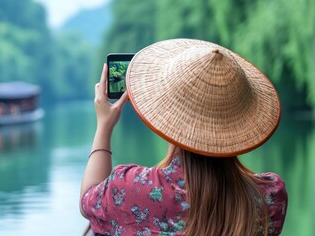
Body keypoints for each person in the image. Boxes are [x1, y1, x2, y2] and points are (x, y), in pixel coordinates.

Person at [80, 39, 288, 236]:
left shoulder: (128, 190)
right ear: (240, 122)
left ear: (168, 114)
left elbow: (88, 200)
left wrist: (104, 127)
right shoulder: (270, 197)